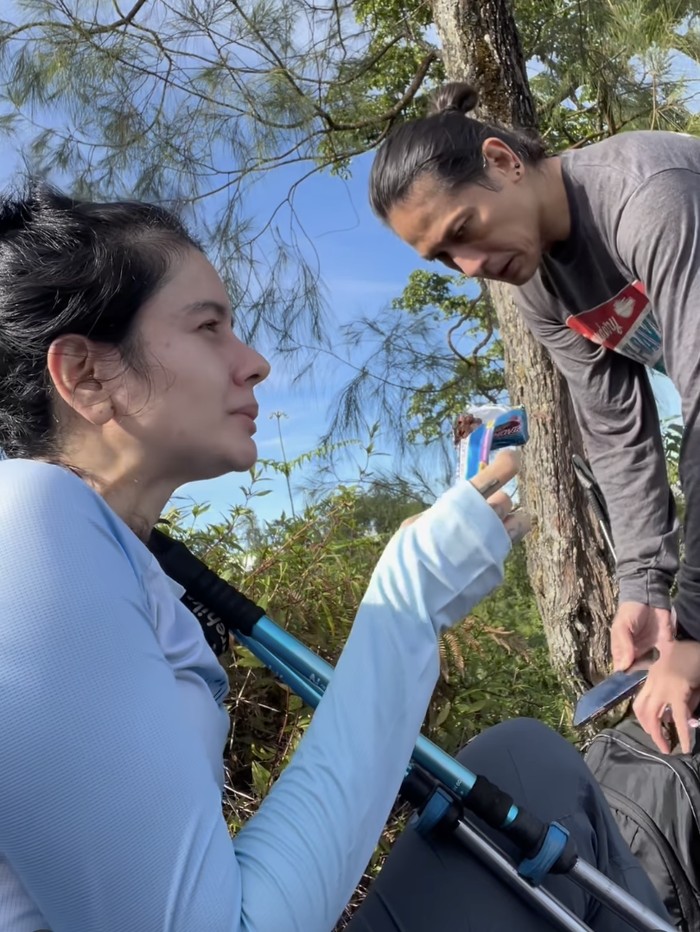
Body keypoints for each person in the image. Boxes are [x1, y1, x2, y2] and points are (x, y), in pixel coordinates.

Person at [0, 180, 667, 931]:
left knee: (525, 763)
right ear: (87, 376)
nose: (255, 362)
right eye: (208, 327)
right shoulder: (26, 521)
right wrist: (407, 603)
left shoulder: (120, 557)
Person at [369, 81, 700, 757]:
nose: (469, 267)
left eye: (463, 229)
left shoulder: (647, 198)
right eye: (443, 257)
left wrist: (692, 629)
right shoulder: (539, 290)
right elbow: (616, 431)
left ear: (503, 161)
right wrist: (643, 586)